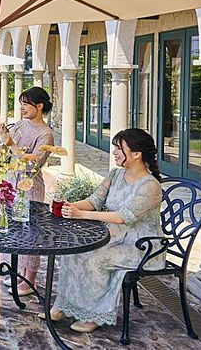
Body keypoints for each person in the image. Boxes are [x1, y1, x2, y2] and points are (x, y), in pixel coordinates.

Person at [49, 129, 163, 333]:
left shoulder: (150, 186)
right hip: (114, 236)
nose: (114, 152)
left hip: (142, 246)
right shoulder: (116, 174)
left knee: (96, 258)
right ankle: (64, 307)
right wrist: (69, 206)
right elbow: (94, 201)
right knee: (74, 251)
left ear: (137, 154)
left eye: (119, 148)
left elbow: (122, 217)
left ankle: (92, 315)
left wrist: (81, 215)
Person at [0, 86, 54, 295]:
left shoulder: (46, 134)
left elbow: (32, 164)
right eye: (21, 104)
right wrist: (3, 139)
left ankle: (30, 281)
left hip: (30, 186)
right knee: (15, 230)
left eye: (25, 104)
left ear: (39, 106)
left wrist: (11, 144)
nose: (21, 108)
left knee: (31, 233)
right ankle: (18, 275)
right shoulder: (21, 124)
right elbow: (7, 152)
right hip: (12, 183)